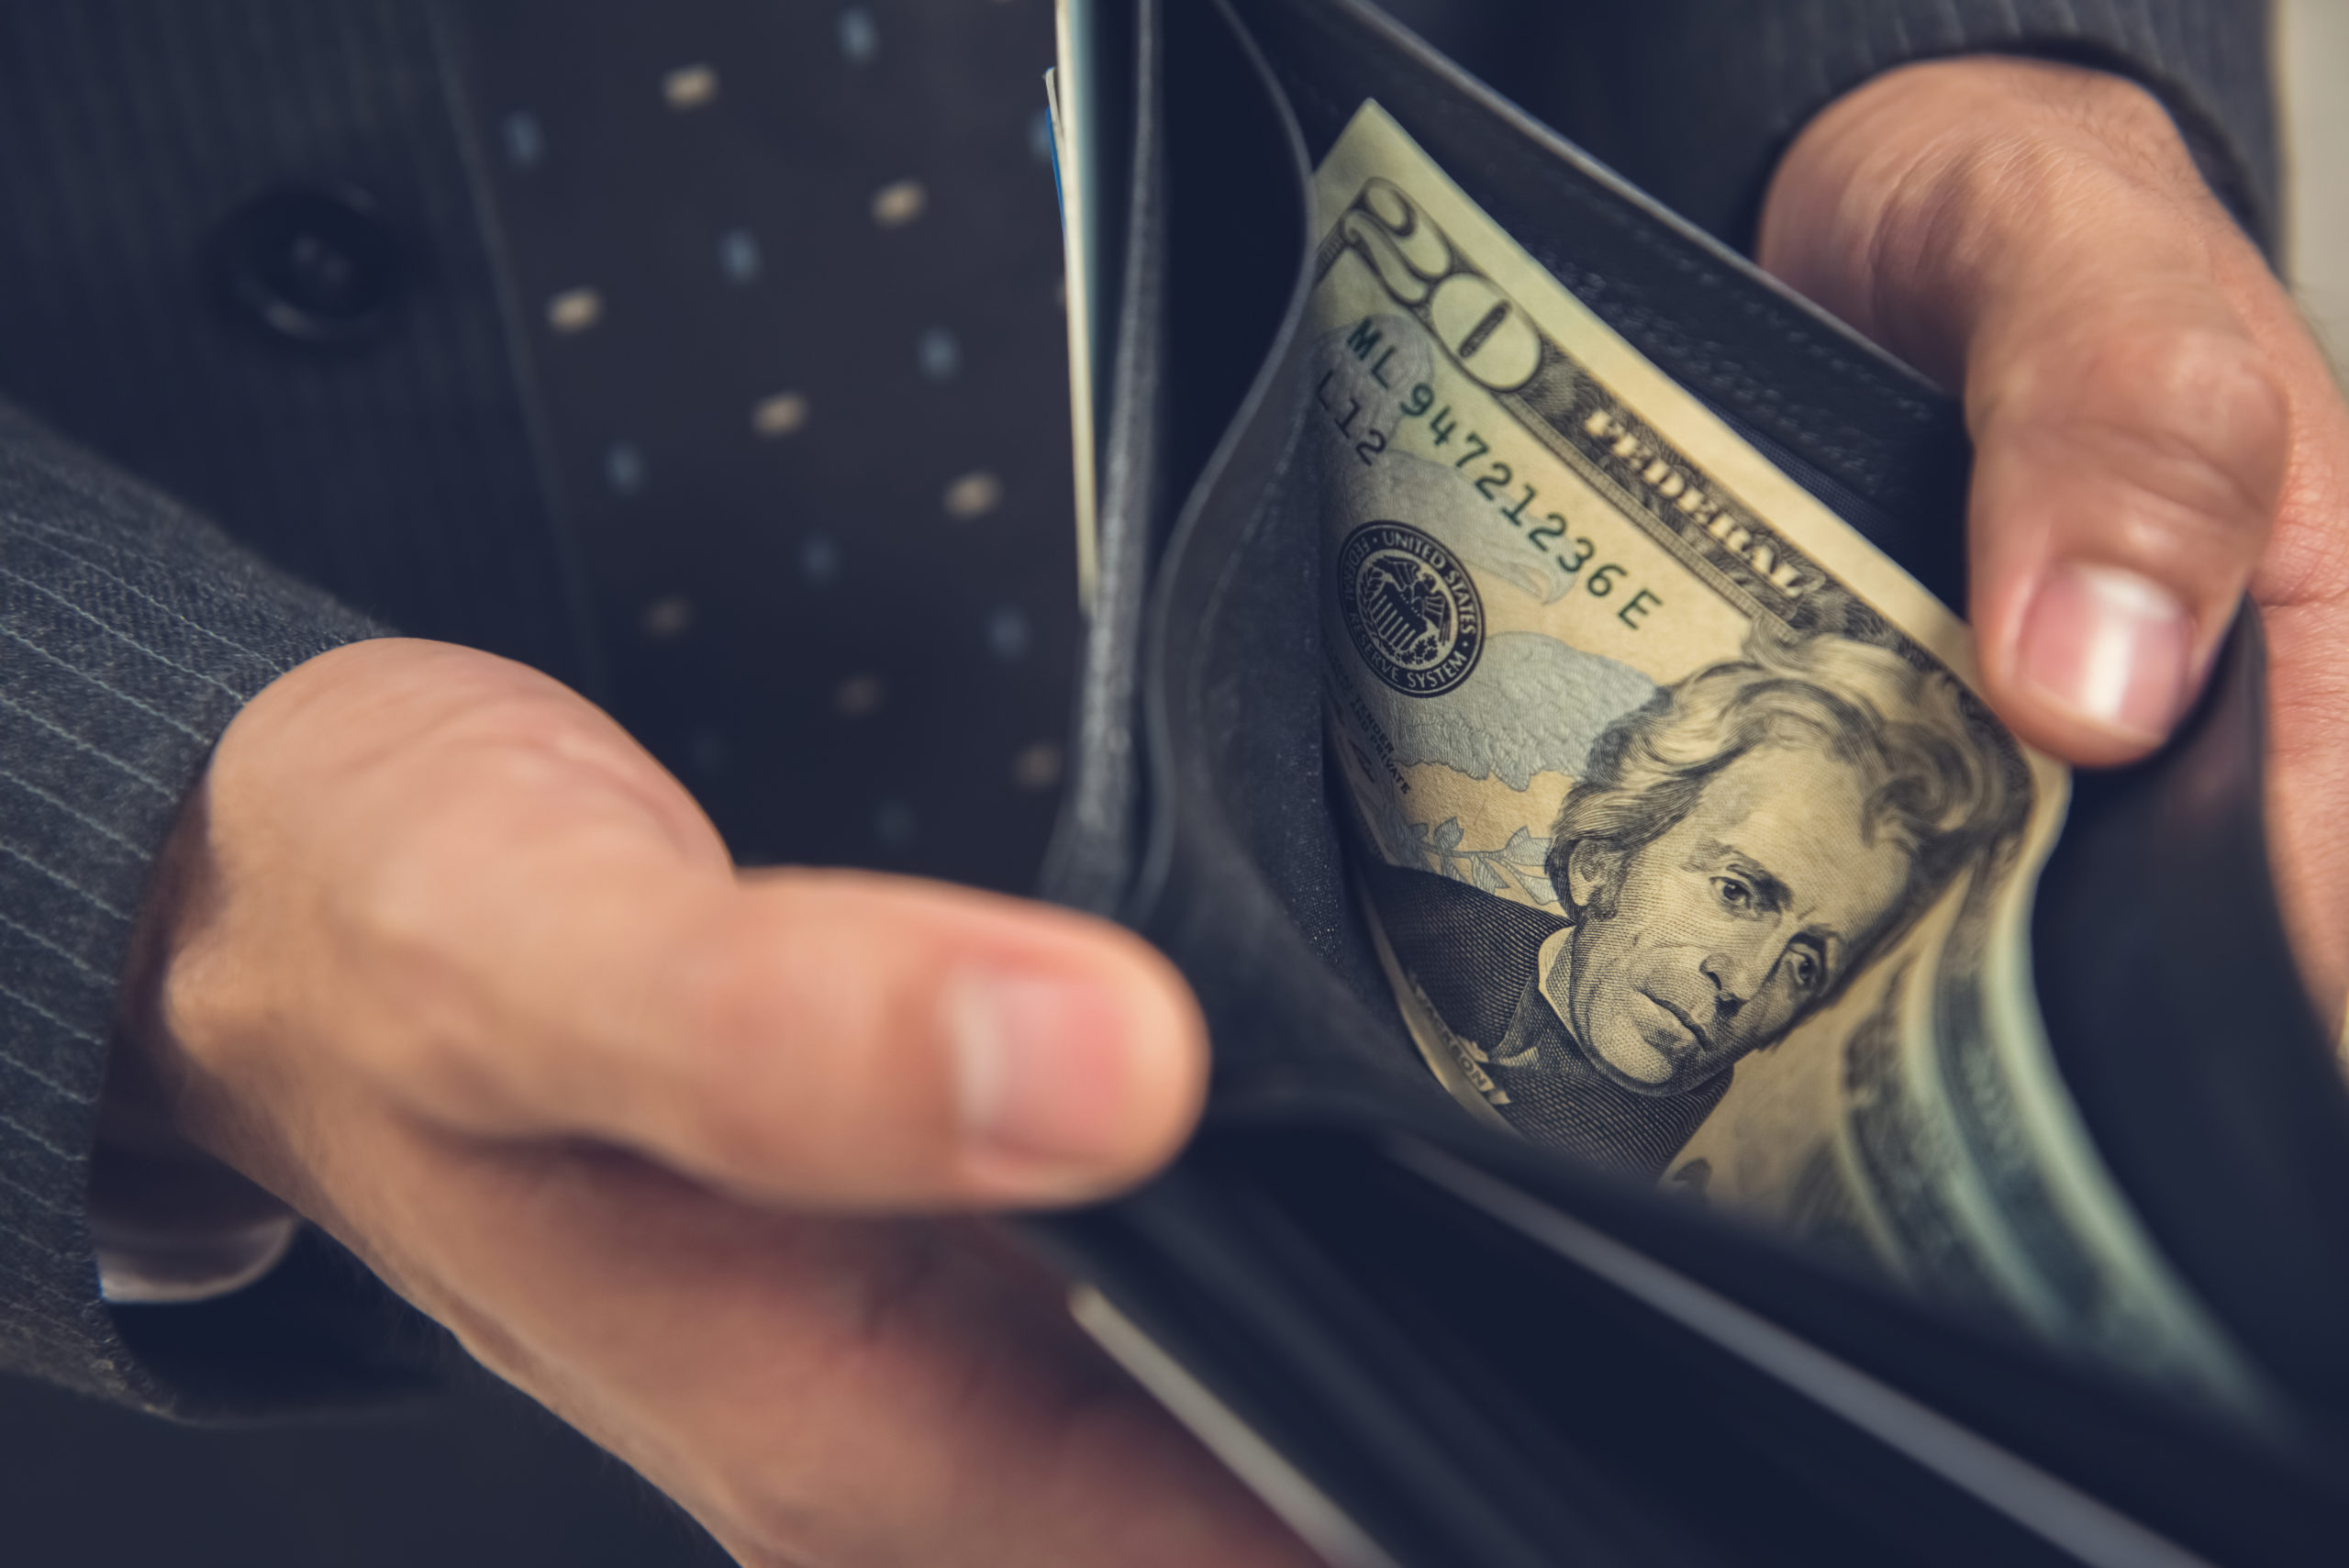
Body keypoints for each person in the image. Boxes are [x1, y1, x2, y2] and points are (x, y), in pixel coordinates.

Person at [4, 2, 2343, 1564]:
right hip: (259, 1412)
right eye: (1746, 900)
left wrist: (1943, 67)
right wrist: (125, 841)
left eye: (1804, 951)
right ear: (1618, 836)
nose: (1771, 975)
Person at [1367, 632, 2012, 1175]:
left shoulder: (1718, 1181)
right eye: (1737, 891)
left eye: (1805, 964)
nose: (1743, 980)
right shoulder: (1415, 912)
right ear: (1605, 857)